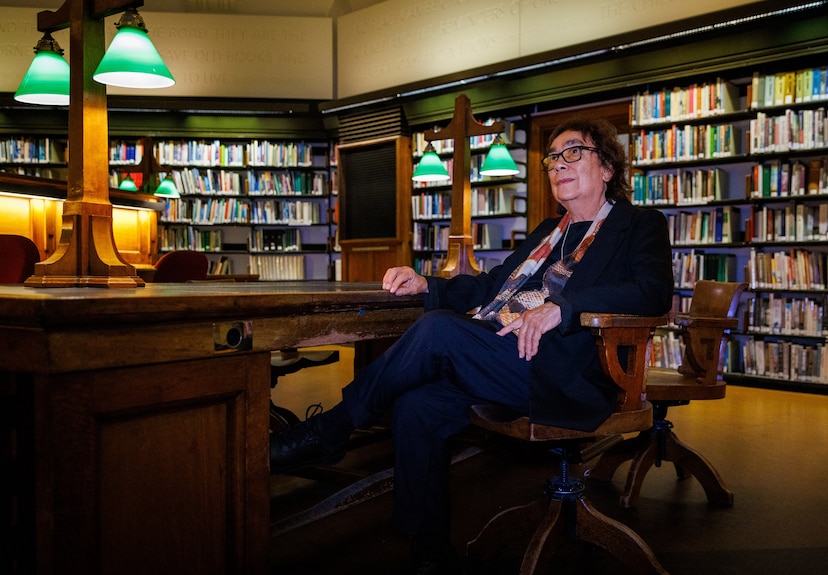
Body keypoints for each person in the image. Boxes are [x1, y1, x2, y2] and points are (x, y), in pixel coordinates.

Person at [270, 117, 674, 574]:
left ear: (606, 167)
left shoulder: (639, 225)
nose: (559, 165)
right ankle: (428, 552)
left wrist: (565, 307)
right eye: (552, 158)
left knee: (440, 330)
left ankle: (331, 430)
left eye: (573, 153)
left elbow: (652, 291)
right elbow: (491, 286)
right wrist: (426, 283)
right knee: (416, 405)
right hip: (507, 354)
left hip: (571, 371)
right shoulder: (548, 233)